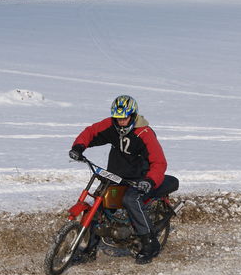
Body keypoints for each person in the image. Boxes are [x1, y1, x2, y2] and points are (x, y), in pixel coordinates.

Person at [69, 95, 169, 264]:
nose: (121, 121)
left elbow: (159, 162)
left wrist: (149, 181)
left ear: (133, 115)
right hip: (116, 175)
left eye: (125, 118)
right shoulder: (111, 125)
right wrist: (78, 147)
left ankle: (150, 243)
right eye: (117, 118)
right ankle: (89, 249)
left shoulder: (144, 133)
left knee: (130, 199)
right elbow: (91, 132)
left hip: (140, 179)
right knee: (99, 201)